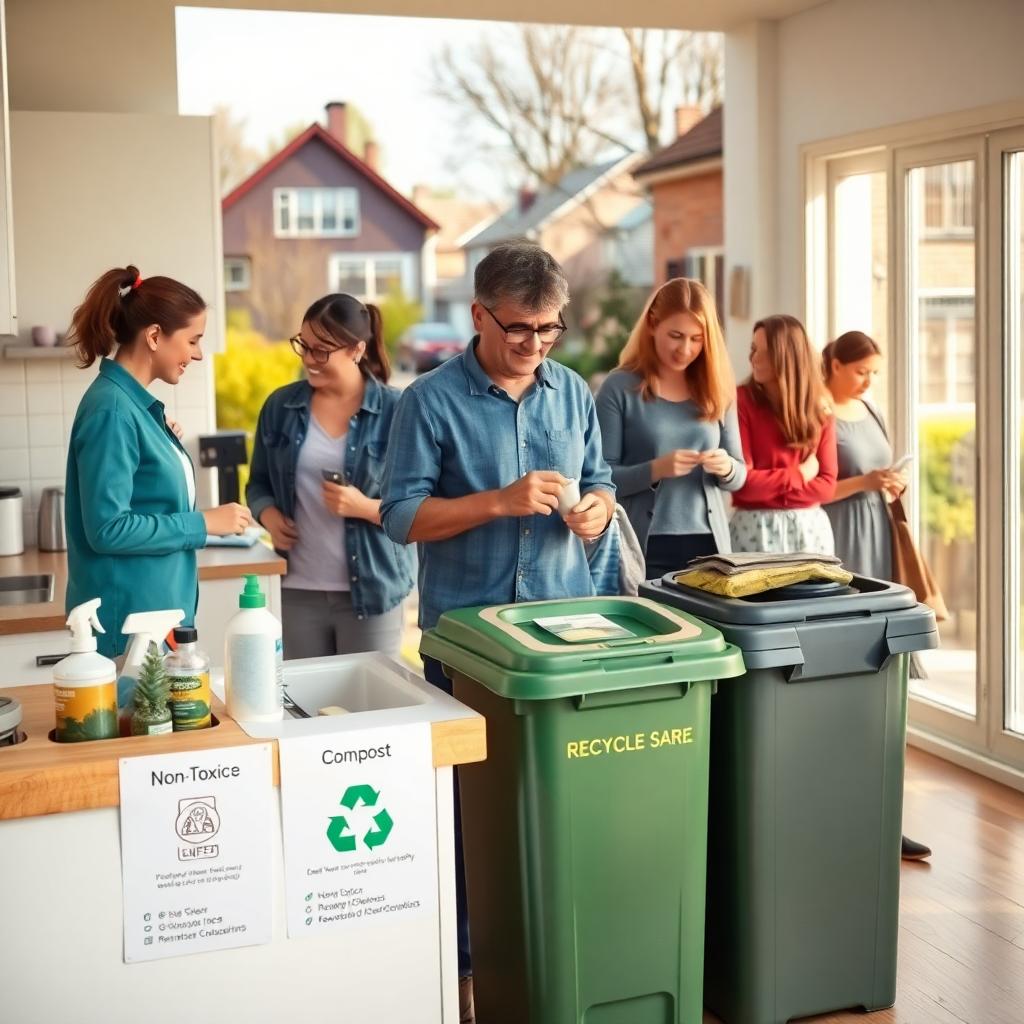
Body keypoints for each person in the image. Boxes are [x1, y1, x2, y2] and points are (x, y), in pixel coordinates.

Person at [380, 241, 615, 1022]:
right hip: (470, 646)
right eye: (520, 329)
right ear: (478, 315)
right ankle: (467, 973)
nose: (535, 344)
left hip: (563, 639)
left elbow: (605, 481)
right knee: (471, 821)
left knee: (558, 811)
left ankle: (554, 952)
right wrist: (497, 501)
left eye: (550, 328)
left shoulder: (574, 392)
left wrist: (597, 512)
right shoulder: (428, 402)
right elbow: (401, 516)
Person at [65, 265, 251, 657]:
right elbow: (108, 528)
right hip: (129, 626)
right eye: (193, 340)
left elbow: (146, 493)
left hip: (154, 620)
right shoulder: (112, 410)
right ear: (154, 336)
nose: (198, 354)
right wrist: (204, 523)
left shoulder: (132, 407)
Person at [247, 294, 415, 659]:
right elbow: (257, 483)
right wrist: (269, 515)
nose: (309, 359)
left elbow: (423, 503)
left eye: (322, 350)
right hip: (296, 590)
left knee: (371, 709)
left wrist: (367, 507)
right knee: (305, 709)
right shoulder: (280, 407)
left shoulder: (397, 410)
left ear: (357, 349)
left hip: (374, 591)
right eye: (303, 346)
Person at [822, 329, 931, 862]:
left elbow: (875, 475)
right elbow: (815, 488)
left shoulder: (868, 409)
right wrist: (865, 483)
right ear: (836, 365)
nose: (868, 381)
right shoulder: (818, 411)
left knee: (886, 687)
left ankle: (888, 818)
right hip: (840, 544)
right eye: (861, 370)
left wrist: (891, 484)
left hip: (878, 543)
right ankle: (842, 815)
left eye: (873, 373)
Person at [595, 277, 746, 579]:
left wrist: (726, 467)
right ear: (652, 324)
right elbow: (600, 478)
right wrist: (656, 469)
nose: (685, 349)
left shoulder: (718, 388)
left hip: (711, 548)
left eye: (696, 338)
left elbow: (740, 474)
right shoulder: (619, 387)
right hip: (643, 546)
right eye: (675, 335)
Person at [730, 314, 838, 554]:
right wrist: (799, 475)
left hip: (810, 533)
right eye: (753, 348)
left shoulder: (821, 408)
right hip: (755, 531)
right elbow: (744, 485)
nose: (753, 358)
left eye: (765, 352)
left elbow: (827, 487)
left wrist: (768, 488)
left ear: (788, 358)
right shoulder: (741, 401)